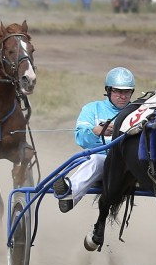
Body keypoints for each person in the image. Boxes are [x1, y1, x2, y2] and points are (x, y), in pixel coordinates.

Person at [53, 67, 136, 212]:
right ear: (109, 90)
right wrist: (96, 132)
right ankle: (69, 194)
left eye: (127, 92)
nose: (123, 96)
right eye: (118, 91)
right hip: (105, 162)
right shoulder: (92, 109)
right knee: (94, 159)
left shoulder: (138, 111)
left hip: (132, 165)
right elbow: (81, 140)